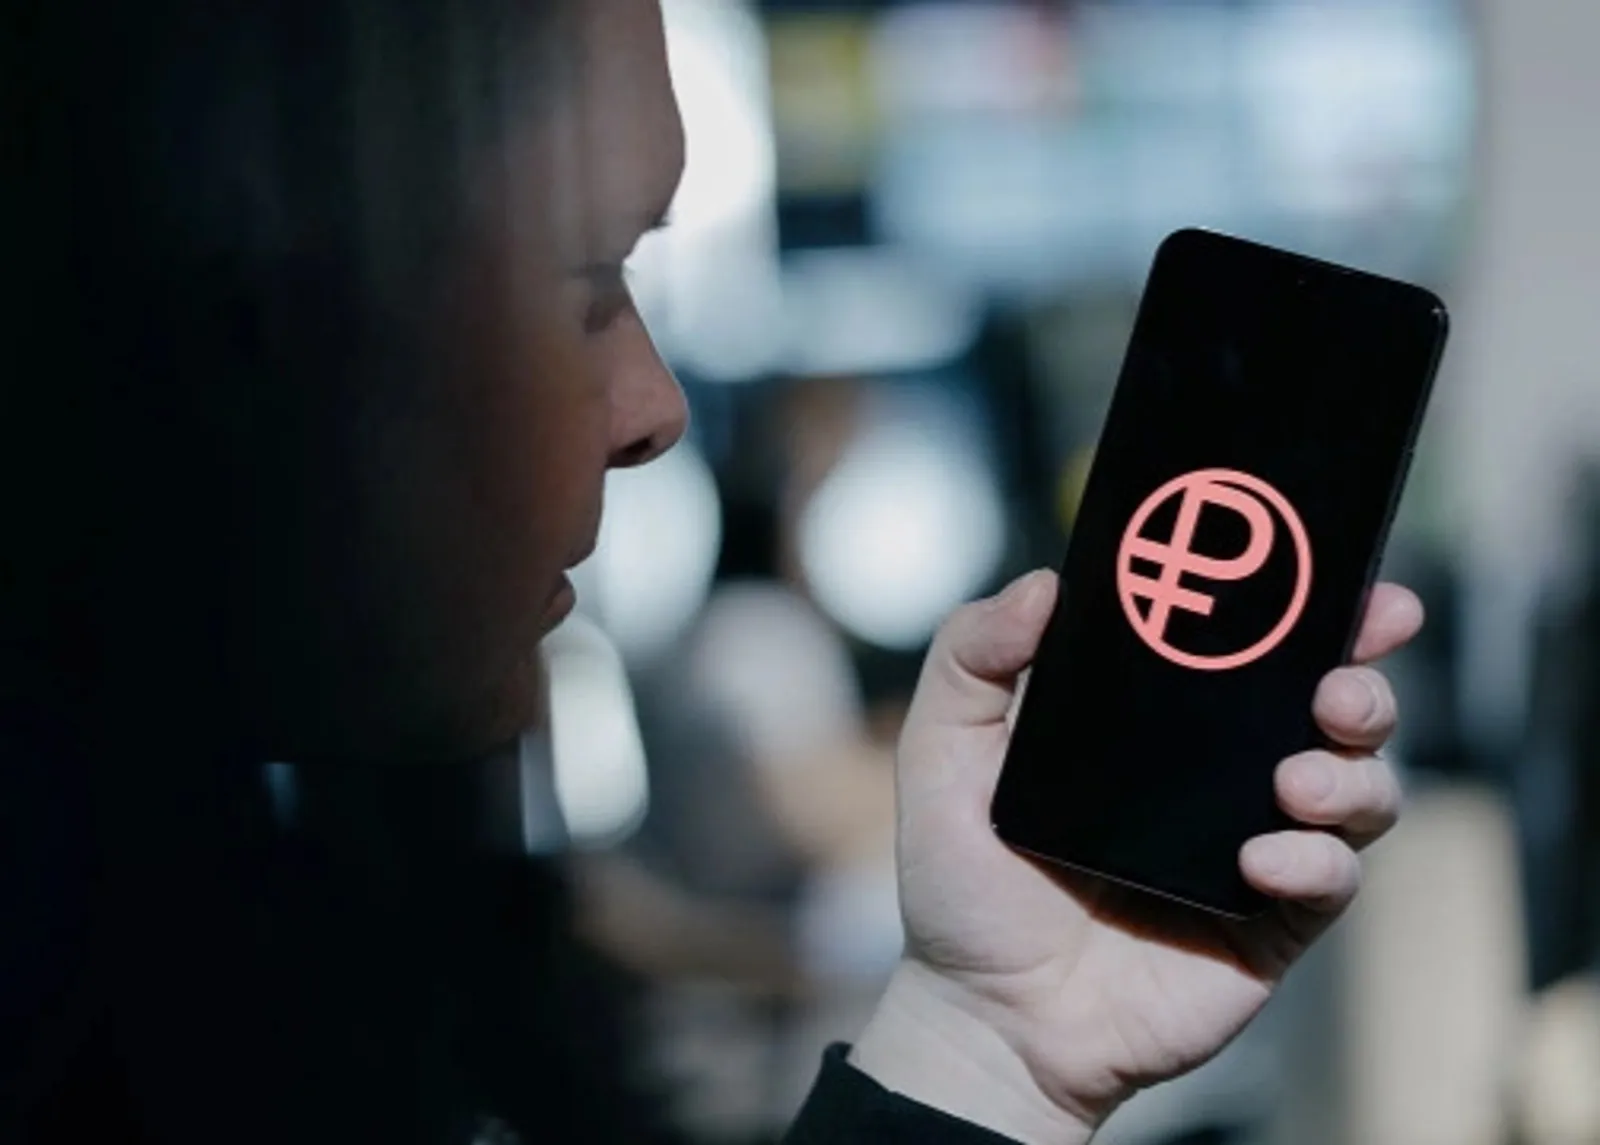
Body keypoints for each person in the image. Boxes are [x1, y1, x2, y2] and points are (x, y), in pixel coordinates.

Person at [0, 0, 1421, 1142]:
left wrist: (993, 1049)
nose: (656, 409)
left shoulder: (215, 953)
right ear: (235, 274)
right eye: (590, 280)